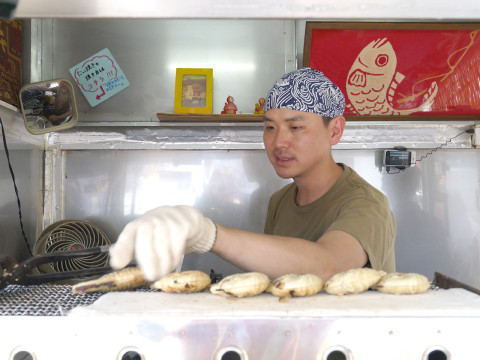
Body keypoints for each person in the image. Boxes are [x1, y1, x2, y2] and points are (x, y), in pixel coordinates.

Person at [109, 67, 396, 282]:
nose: (278, 142)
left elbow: (328, 265)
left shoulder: (367, 205)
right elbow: (278, 279)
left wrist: (211, 235)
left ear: (335, 130)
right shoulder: (280, 201)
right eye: (270, 127)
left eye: (295, 127)